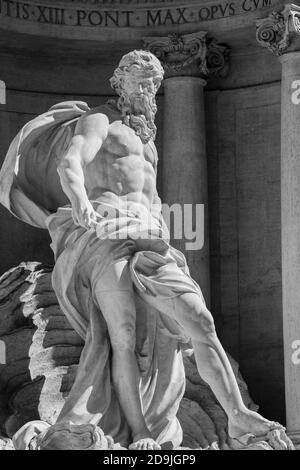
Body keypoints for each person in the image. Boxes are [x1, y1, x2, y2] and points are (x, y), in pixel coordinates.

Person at [0, 50, 292, 451]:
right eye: (139, 82)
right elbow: (72, 161)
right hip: (106, 234)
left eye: (153, 84)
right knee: (122, 334)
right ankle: (140, 433)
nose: (147, 90)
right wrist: (82, 203)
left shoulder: (146, 138)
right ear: (120, 83)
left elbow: (151, 197)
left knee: (199, 321)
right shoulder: (100, 119)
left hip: (152, 241)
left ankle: (240, 417)